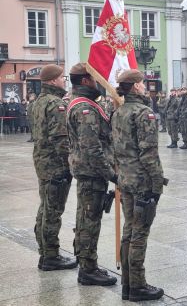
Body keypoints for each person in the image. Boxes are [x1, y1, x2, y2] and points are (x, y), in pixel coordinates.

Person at [111, 70, 165, 301]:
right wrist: (157, 183)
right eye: (142, 83)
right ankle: (138, 286)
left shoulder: (118, 111)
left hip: (125, 179)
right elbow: (149, 153)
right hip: (142, 181)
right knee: (139, 233)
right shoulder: (144, 113)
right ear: (134, 87)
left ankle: (127, 284)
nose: (145, 86)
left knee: (128, 231)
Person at [67, 63, 118, 286]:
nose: (99, 83)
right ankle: (88, 269)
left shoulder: (86, 103)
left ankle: (86, 262)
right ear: (86, 81)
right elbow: (92, 147)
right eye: (96, 79)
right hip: (92, 171)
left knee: (86, 218)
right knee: (89, 220)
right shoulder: (84, 108)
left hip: (89, 171)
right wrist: (111, 174)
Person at [31, 64, 77, 271]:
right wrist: (71, 163)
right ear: (52, 81)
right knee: (53, 211)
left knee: (45, 208)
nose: (64, 80)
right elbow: (61, 140)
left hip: (42, 161)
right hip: (55, 165)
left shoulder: (38, 102)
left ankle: (44, 252)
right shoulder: (56, 104)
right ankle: (51, 256)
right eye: (61, 77)